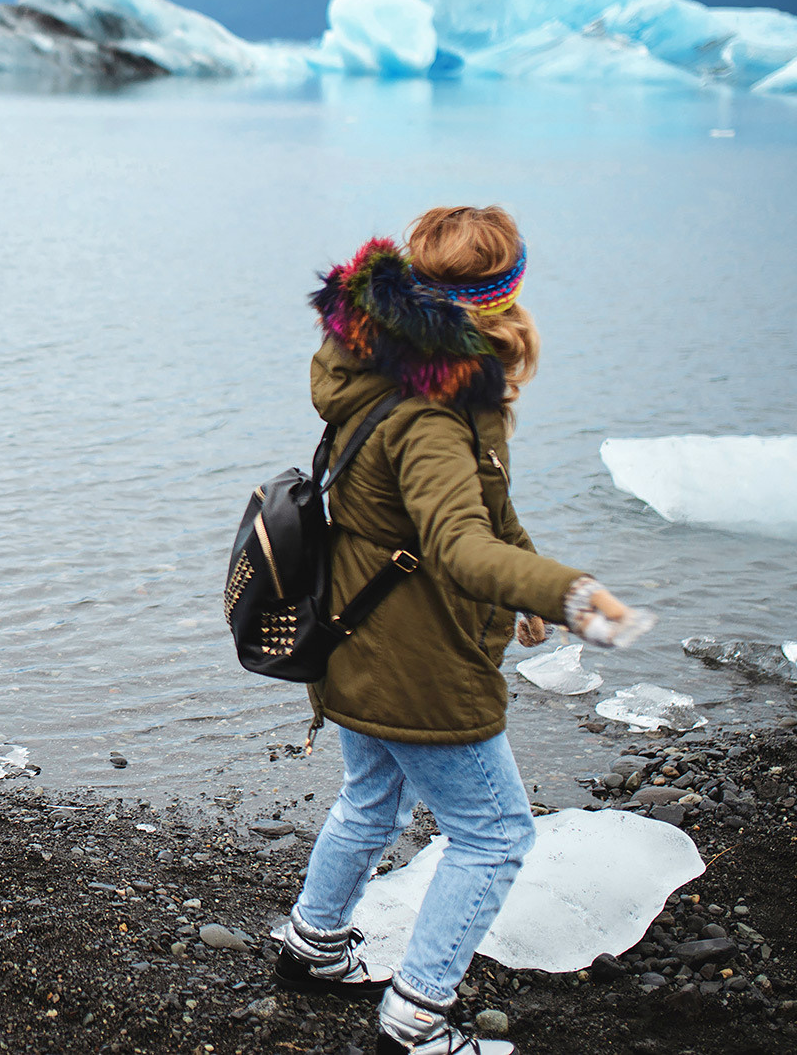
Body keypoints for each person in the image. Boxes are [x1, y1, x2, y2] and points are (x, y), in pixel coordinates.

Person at [272, 207, 653, 1055]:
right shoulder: (434, 414)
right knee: (496, 834)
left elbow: (484, 516)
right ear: (499, 299)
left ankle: (312, 941)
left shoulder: (377, 361)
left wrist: (519, 574)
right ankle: (416, 1016)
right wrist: (570, 593)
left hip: (354, 635)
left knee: (371, 797)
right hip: (418, 657)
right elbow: (459, 542)